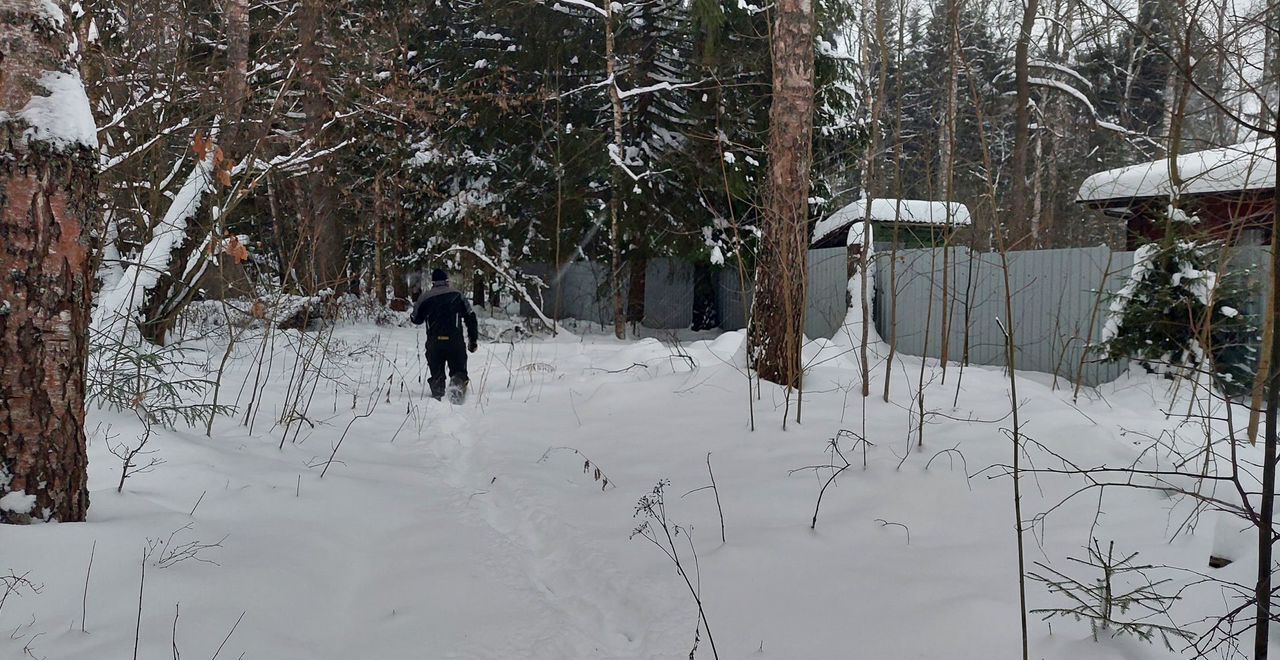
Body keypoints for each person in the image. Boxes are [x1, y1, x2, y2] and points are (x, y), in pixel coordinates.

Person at [410, 269, 479, 401]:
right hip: (455, 341)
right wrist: (473, 340)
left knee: (436, 373)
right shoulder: (457, 295)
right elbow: (470, 317)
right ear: (447, 281)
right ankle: (457, 394)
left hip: (434, 342)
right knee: (459, 370)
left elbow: (416, 319)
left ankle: (438, 395)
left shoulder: (426, 297)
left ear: (433, 282)